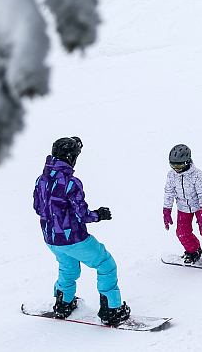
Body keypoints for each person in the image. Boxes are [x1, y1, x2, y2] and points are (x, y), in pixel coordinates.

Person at [33, 137, 131, 326]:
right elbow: (83, 215)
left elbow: (38, 207)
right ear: (70, 158)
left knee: (68, 268)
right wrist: (99, 215)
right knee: (105, 264)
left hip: (51, 239)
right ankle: (111, 309)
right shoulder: (71, 183)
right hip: (73, 238)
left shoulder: (41, 180)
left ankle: (63, 304)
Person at [163, 144, 202, 268]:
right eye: (173, 165)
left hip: (200, 208)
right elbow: (169, 192)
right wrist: (167, 209)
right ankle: (193, 251)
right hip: (183, 208)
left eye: (179, 165)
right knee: (182, 232)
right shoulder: (171, 175)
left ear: (186, 162)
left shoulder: (196, 174)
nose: (176, 169)